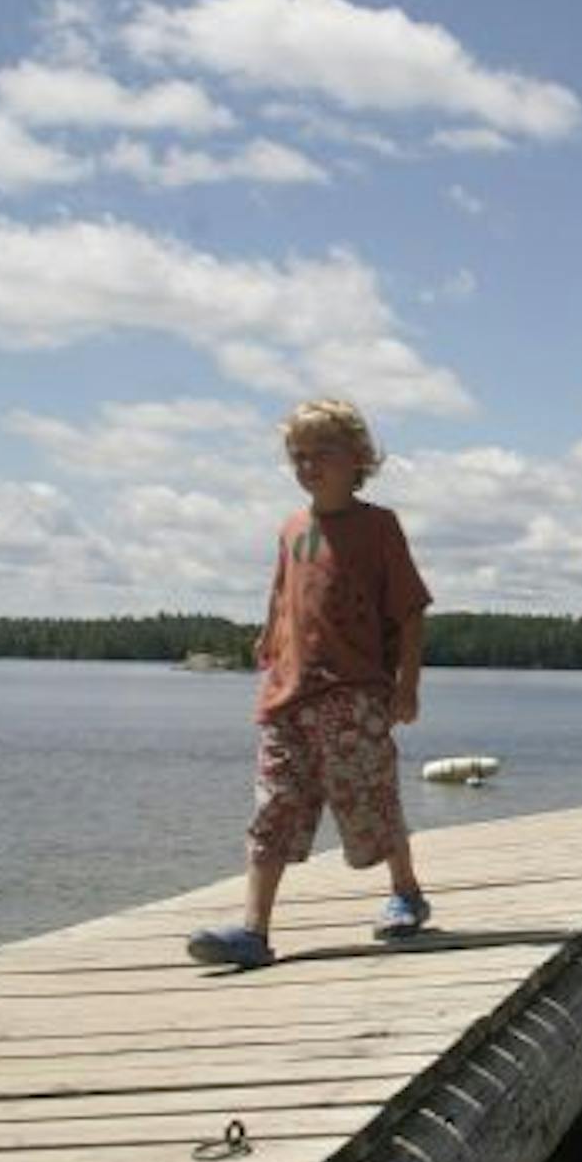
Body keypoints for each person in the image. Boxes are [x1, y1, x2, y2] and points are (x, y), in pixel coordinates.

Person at [188, 398, 434, 969]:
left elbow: (411, 609)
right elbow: (282, 594)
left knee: (369, 797)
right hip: (287, 696)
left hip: (354, 693)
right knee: (274, 807)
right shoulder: (292, 528)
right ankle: (254, 930)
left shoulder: (378, 526)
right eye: (297, 455)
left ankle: (405, 892)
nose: (308, 465)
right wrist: (269, 637)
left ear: (358, 458)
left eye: (322, 452)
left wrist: (408, 685)